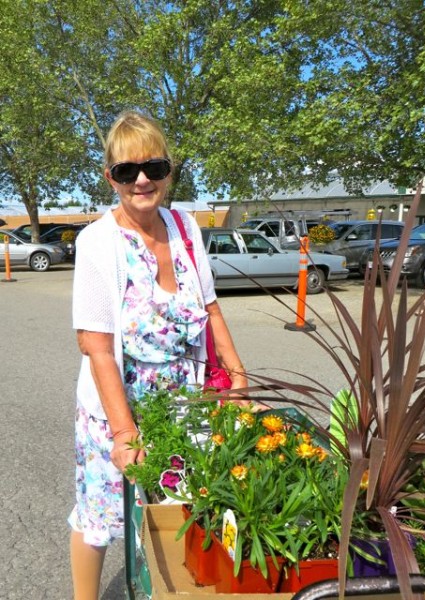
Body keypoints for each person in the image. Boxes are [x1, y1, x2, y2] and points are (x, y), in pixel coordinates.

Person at [68, 110, 248, 599]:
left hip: (183, 402)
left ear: (169, 171)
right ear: (111, 178)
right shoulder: (97, 242)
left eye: (154, 167)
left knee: (179, 501)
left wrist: (238, 379)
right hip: (117, 405)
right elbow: (97, 348)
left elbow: (211, 310)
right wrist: (124, 433)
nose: (142, 180)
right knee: (100, 517)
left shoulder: (185, 227)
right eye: (127, 171)